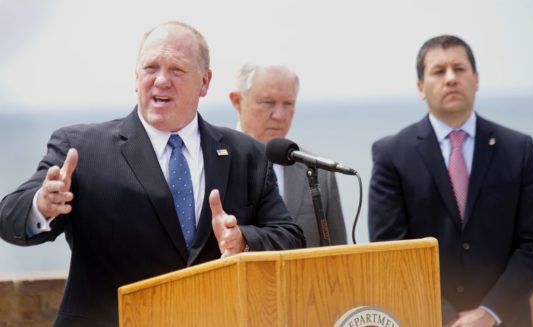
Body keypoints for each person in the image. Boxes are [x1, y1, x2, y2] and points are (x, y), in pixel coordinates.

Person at [0, 22, 305, 327]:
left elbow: (291, 238)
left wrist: (243, 241)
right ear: (136, 77)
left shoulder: (245, 154)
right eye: (151, 68)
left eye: (176, 70)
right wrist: (42, 205)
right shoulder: (82, 149)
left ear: (204, 82)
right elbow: (9, 216)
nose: (161, 81)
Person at [368, 35, 533, 327]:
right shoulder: (391, 154)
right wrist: (446, 318)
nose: (451, 78)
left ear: (476, 79)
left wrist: (489, 313)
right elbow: (390, 250)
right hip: (426, 319)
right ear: (420, 87)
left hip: (505, 320)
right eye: (439, 71)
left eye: (459, 68)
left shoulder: (518, 149)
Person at [229, 63, 347, 247]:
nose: (279, 115)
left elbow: (339, 258)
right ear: (237, 101)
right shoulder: (213, 162)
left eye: (288, 104)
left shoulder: (318, 172)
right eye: (268, 103)